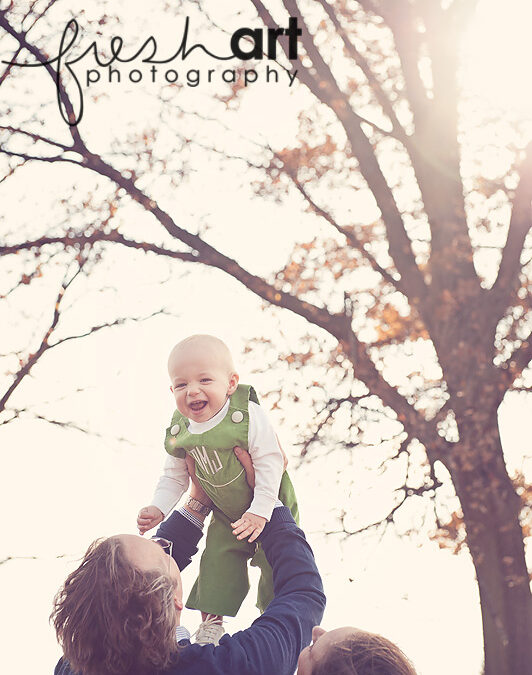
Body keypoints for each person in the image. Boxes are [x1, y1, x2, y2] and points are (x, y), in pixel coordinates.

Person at [136, 334, 299, 644]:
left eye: (205, 380)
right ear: (171, 391)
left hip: (269, 502)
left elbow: (271, 461)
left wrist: (261, 511)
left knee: (274, 562)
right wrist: (158, 508)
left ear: (231, 383)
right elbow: (174, 475)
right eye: (181, 385)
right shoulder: (180, 430)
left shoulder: (247, 417)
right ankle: (211, 625)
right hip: (225, 512)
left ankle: (273, 619)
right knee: (216, 561)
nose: (193, 390)